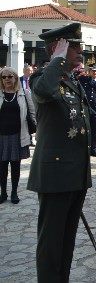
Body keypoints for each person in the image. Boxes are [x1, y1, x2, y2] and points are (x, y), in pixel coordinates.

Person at [26, 23, 92, 282]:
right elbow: (43, 92)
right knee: (51, 243)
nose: (80, 51)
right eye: (73, 46)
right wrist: (55, 60)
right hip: (55, 175)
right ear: (57, 48)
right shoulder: (41, 78)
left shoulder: (69, 80)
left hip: (74, 174)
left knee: (66, 240)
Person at [0, 67, 36, 204]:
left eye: (10, 76)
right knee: (2, 167)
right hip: (1, 137)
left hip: (18, 135)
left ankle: (14, 192)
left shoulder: (24, 93)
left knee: (16, 166)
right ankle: (3, 192)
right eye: (4, 77)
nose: (7, 79)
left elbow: (32, 113)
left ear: (15, 78)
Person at [78, 65, 96, 157]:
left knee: (95, 130)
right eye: (93, 71)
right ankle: (84, 149)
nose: (95, 73)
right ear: (89, 72)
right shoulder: (84, 80)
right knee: (85, 129)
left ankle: (93, 149)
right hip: (86, 108)